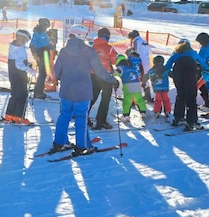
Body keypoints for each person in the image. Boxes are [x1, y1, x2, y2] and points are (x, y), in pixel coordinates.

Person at [50, 25, 118, 156]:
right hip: (82, 91)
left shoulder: (64, 51)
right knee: (81, 117)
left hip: (66, 90)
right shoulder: (88, 51)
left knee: (64, 115)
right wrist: (112, 80)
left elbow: (56, 72)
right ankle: (82, 146)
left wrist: (62, 78)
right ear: (82, 36)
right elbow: (99, 71)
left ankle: (60, 142)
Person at [169, 39, 204, 130]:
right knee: (191, 98)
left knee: (180, 96)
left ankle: (178, 118)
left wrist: (168, 73)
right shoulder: (193, 53)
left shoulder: (175, 54)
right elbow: (203, 63)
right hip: (190, 75)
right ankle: (192, 122)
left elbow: (167, 66)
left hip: (178, 76)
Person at [89, 27, 118, 130]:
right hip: (106, 76)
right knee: (105, 99)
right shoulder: (109, 48)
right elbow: (115, 61)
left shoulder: (92, 47)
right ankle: (101, 121)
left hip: (93, 75)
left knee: (92, 98)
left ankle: (84, 117)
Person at [4, 29, 35, 124]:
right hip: (19, 75)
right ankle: (19, 117)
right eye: (25, 39)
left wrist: (27, 64)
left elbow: (18, 60)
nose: (25, 42)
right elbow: (19, 65)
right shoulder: (20, 48)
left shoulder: (13, 45)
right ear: (20, 37)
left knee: (15, 94)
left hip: (13, 74)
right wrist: (29, 70)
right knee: (22, 95)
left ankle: (9, 115)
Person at [115, 54, 147, 122]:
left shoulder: (121, 67)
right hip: (136, 83)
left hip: (128, 84)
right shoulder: (132, 66)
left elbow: (115, 73)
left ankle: (126, 116)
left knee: (127, 101)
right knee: (139, 99)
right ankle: (143, 112)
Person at [30, 18, 53, 100]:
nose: (46, 28)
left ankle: (39, 90)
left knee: (44, 72)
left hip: (45, 53)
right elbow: (32, 44)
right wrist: (35, 55)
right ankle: (38, 92)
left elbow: (45, 42)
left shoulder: (43, 31)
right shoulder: (38, 32)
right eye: (45, 26)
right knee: (42, 73)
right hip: (41, 54)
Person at [128, 30, 152, 101]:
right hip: (147, 61)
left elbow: (135, 52)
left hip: (140, 62)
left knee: (136, 77)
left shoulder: (136, 41)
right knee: (145, 78)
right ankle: (148, 95)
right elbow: (149, 52)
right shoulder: (144, 41)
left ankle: (134, 96)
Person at [196, 32, 209, 107]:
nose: (200, 43)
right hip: (204, 67)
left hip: (206, 68)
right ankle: (207, 102)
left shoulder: (208, 47)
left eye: (200, 41)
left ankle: (208, 103)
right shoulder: (207, 46)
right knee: (203, 86)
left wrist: (197, 61)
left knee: (204, 86)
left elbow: (202, 58)